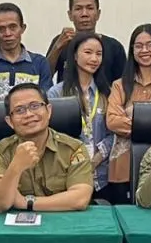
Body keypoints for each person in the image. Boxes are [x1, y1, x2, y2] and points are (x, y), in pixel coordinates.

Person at [0, 83, 93, 213]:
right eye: (19, 110)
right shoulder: (0, 154)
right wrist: (16, 166)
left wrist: (26, 202)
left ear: (49, 111)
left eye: (35, 106)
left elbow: (80, 199)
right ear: (10, 121)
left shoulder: (73, 149)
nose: (29, 114)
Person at [106, 25, 151, 204]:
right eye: (138, 46)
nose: (144, 50)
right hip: (123, 167)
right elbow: (113, 121)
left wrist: (130, 116)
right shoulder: (119, 86)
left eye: (150, 45)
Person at [49, 33, 114, 199]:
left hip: (101, 176)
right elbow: (50, 134)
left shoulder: (107, 93)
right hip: (66, 175)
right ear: (75, 56)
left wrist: (96, 159)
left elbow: (113, 133)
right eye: (88, 52)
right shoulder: (57, 93)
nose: (94, 59)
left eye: (99, 54)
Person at [45, 0, 126, 85]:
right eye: (78, 9)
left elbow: (123, 84)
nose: (84, 14)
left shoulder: (113, 46)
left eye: (90, 8)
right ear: (70, 15)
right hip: (66, 94)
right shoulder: (60, 41)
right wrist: (57, 48)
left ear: (98, 14)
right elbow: (44, 76)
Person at [0, 2, 52, 97]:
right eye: (1, 29)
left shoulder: (40, 63)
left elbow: (45, 99)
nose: (8, 33)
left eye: (13, 27)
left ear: (23, 28)